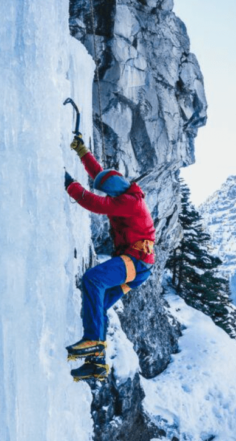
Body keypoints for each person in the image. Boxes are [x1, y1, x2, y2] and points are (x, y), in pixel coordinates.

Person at [64, 135, 156, 381]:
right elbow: (101, 177)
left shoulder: (128, 203)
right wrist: (82, 152)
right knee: (99, 303)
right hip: (140, 266)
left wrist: (69, 184)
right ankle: (97, 364)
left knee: (93, 280)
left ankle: (94, 340)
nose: (108, 195)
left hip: (135, 261)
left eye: (110, 193)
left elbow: (94, 202)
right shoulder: (126, 193)